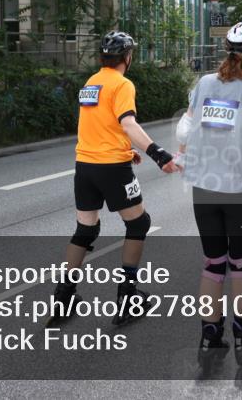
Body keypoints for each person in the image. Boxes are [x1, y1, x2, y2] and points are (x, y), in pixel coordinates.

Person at [51, 30, 179, 327]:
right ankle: (128, 296)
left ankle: (63, 297)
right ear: (128, 58)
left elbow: (99, 124)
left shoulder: (91, 83)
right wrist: (157, 153)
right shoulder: (122, 84)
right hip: (111, 168)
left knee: (85, 231)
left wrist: (126, 149)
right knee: (139, 223)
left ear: (102, 58)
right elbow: (127, 123)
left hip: (85, 165)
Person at [175, 20, 242, 376]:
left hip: (203, 187)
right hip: (240, 190)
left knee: (213, 264)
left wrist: (185, 157)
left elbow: (184, 128)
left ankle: (209, 338)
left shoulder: (203, 84)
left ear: (227, 51)